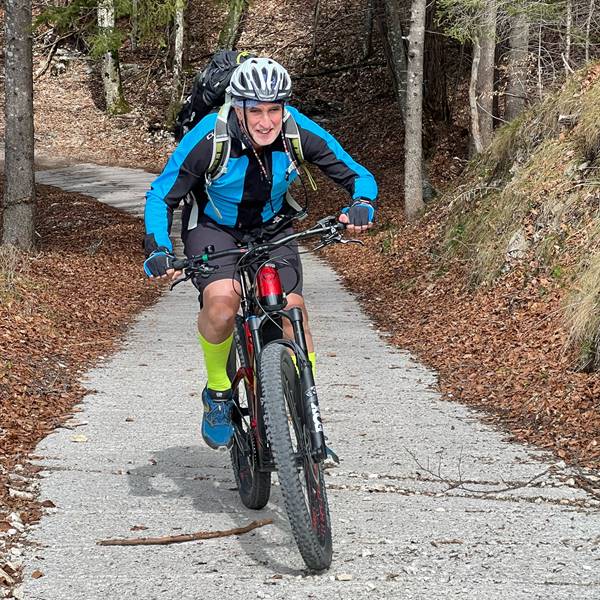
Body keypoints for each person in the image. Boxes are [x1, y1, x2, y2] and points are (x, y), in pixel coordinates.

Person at [143, 57, 378, 450]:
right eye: (256, 110)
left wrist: (362, 203)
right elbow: (161, 194)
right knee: (222, 305)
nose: (266, 121)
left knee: (293, 313)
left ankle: (307, 413)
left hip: (272, 226)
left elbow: (357, 174)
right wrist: (159, 248)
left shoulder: (295, 129)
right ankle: (218, 392)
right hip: (213, 227)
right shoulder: (209, 136)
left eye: (274, 109)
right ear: (238, 107)